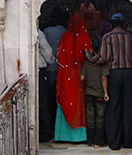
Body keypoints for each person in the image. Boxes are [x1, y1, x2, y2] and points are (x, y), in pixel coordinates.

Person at [85, 13, 132, 150]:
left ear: (111, 25)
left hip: (114, 73)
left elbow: (103, 58)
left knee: (114, 107)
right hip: (129, 73)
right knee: (129, 107)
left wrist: (90, 58)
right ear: (124, 24)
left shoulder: (108, 37)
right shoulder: (131, 37)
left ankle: (115, 142)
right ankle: (128, 141)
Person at [55, 14, 92, 142]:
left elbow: (58, 54)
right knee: (80, 103)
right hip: (81, 78)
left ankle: (64, 135)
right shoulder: (84, 37)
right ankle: (81, 136)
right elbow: (90, 56)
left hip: (67, 77)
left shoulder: (65, 37)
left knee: (67, 99)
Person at [80, 22, 111, 148]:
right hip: (99, 94)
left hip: (89, 93)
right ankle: (98, 142)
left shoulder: (87, 64)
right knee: (100, 118)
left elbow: (81, 77)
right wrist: (105, 93)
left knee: (90, 117)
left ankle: (90, 141)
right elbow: (104, 78)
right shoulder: (102, 63)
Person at [41, 8, 68, 142]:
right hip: (63, 66)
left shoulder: (46, 31)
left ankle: (51, 127)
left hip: (51, 67)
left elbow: (44, 49)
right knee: (60, 94)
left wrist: (49, 62)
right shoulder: (63, 29)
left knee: (50, 96)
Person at [37, 29, 55, 142]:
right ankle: (45, 132)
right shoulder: (38, 33)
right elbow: (47, 52)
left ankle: (43, 131)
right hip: (40, 70)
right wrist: (50, 61)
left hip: (31, 71)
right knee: (43, 102)